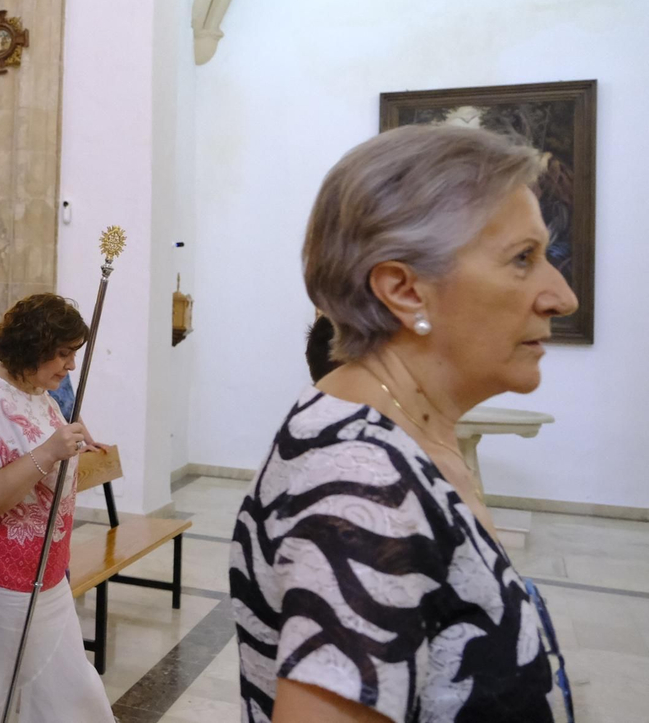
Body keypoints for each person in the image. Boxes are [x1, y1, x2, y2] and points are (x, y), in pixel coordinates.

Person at [232, 125, 577, 723]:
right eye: (522, 259)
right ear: (404, 289)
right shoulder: (364, 490)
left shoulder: (397, 438)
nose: (561, 296)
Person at [0, 292, 113, 722]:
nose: (70, 366)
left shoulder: (37, 390)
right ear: (33, 346)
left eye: (73, 355)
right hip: (0, 583)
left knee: (68, 692)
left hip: (45, 572)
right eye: (62, 354)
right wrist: (50, 452)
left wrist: (71, 442)